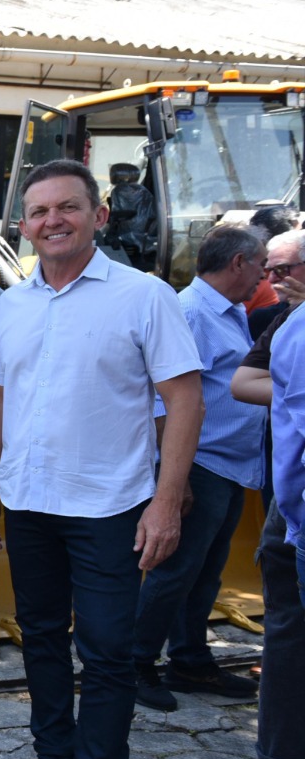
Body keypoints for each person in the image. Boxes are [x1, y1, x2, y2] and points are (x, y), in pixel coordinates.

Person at [0, 159, 202, 759]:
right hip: (30, 500)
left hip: (111, 506)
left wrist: (167, 500)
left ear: (98, 215)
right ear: (24, 225)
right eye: (38, 212)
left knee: (106, 655)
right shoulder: (11, 303)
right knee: (41, 636)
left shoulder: (145, 297)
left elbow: (186, 399)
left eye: (66, 208)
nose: (51, 222)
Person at [133, 224, 266, 711]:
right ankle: (137, 664)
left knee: (204, 573)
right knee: (175, 570)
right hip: (202, 464)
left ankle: (188, 659)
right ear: (237, 263)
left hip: (229, 466)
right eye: (260, 264)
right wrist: (177, 475)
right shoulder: (190, 312)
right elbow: (162, 399)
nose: (264, 274)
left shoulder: (228, 312)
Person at [228, 325, 305, 759]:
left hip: (291, 507)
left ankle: (284, 755)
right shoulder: (292, 323)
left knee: (287, 628)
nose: (276, 277)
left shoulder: (293, 323)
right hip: (291, 511)